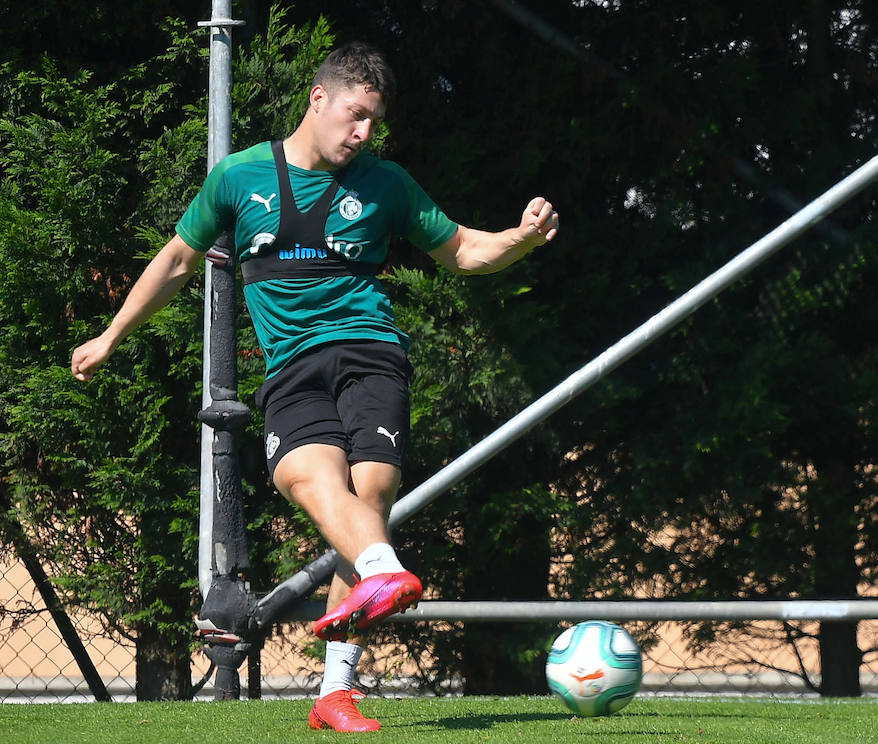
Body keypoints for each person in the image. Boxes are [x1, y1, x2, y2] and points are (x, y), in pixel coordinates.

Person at [70, 42, 558, 731]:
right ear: (318, 98)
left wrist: (522, 238)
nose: (362, 135)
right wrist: (112, 334)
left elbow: (463, 252)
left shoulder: (386, 184)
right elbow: (178, 259)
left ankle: (335, 691)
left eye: (373, 124)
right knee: (307, 480)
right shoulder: (240, 177)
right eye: (354, 116)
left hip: (370, 351)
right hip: (291, 366)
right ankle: (383, 568)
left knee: (374, 489)